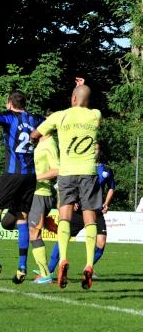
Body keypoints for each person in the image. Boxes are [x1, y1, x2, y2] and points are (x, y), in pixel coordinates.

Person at [31, 77, 102, 290]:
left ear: (72, 98)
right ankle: (89, 264)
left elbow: (36, 134)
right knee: (90, 217)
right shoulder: (95, 115)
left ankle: (62, 259)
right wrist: (82, 87)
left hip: (67, 172)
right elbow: (84, 101)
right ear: (87, 100)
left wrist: (42, 134)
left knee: (65, 215)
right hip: (89, 172)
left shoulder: (59, 116)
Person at [0, 90, 43, 284]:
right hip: (30, 176)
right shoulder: (36, 118)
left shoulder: (10, 117)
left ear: (10, 103)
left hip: (12, 174)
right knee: (22, 218)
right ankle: (22, 266)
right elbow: (52, 124)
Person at [46, 141, 115, 277]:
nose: (94, 151)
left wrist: (106, 203)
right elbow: (72, 185)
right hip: (78, 212)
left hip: (96, 211)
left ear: (99, 151)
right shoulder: (80, 167)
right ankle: (49, 271)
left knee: (101, 243)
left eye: (96, 149)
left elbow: (112, 187)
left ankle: (88, 269)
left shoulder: (106, 170)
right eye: (92, 149)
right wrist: (73, 201)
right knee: (63, 238)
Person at [23, 133, 59, 284]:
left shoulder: (49, 144)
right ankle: (44, 271)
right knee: (30, 230)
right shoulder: (39, 144)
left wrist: (35, 178)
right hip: (33, 193)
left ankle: (45, 274)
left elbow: (57, 170)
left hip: (41, 194)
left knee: (34, 233)